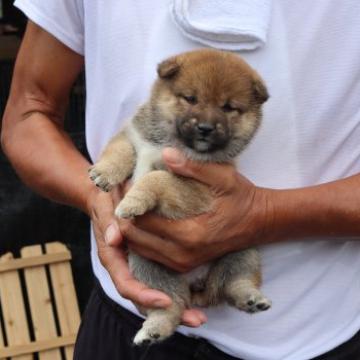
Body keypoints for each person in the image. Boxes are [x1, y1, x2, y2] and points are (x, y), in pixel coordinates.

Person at [2, 1, 360, 359]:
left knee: (240, 268)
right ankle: (165, 307)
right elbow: (29, 111)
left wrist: (263, 214)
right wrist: (97, 199)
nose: (205, 121)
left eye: (229, 109)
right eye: (188, 100)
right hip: (125, 322)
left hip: (310, 338)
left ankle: (237, 286)